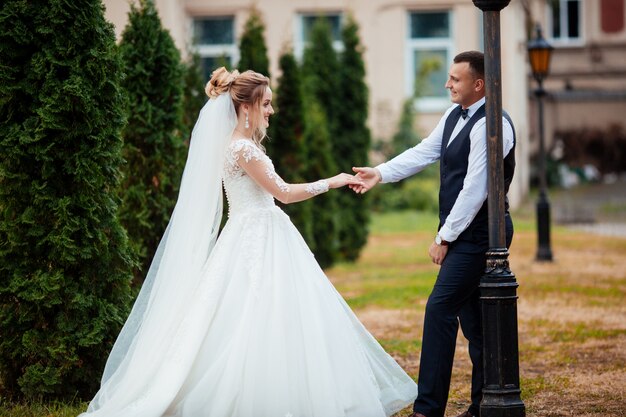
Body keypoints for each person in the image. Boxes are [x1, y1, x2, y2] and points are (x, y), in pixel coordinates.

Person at [79, 67, 416, 417]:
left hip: (256, 231)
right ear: (246, 106)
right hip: (257, 233)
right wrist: (332, 181)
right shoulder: (243, 149)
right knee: (255, 312)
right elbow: (283, 193)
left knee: (272, 311)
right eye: (266, 104)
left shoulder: (241, 145)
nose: (270, 111)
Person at [351, 51, 516, 417]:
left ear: (479, 84)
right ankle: (483, 407)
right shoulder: (454, 115)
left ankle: (427, 410)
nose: (447, 85)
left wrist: (444, 237)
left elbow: (476, 189)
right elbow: (424, 152)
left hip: (483, 235)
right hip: (468, 233)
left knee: (440, 308)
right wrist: (381, 172)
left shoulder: (495, 125)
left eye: (455, 79)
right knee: (475, 323)